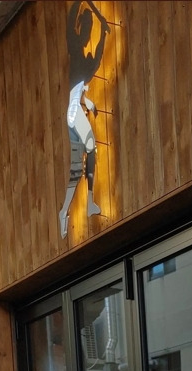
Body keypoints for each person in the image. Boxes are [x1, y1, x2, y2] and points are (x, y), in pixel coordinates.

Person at [59, 0, 110, 239]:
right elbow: (71, 21)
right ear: (81, 26)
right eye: (86, 26)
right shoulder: (74, 47)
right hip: (74, 111)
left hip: (75, 110)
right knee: (89, 153)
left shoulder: (86, 60)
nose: (88, 31)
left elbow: (98, 55)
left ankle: (66, 210)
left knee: (80, 164)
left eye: (90, 27)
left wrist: (104, 34)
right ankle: (86, 203)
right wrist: (79, 3)